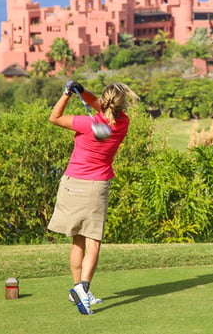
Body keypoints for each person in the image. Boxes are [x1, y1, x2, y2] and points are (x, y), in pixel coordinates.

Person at [48, 80, 138, 315]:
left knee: (78, 240)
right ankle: (82, 288)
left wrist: (68, 93)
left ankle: (78, 290)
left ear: (104, 99)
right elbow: (101, 106)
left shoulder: (86, 123)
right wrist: (82, 90)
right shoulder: (122, 123)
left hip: (71, 184)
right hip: (95, 187)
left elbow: (54, 118)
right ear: (122, 104)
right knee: (93, 241)